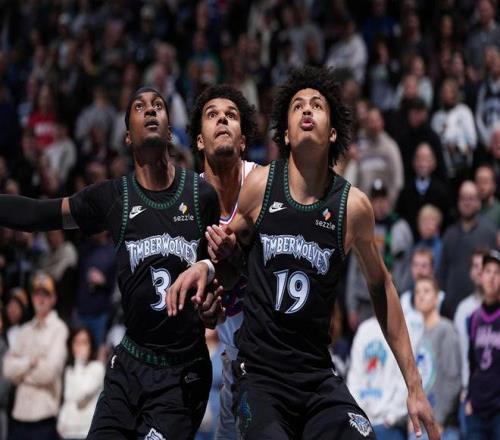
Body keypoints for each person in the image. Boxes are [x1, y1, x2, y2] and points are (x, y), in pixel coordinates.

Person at [167, 66, 439, 439]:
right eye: (297, 106)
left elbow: (382, 288)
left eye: (317, 105)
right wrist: (206, 267)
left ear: (332, 132)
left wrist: (414, 386)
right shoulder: (260, 185)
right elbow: (229, 260)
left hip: (316, 375)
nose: (307, 109)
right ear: (286, 133)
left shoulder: (354, 207)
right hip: (260, 375)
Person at [0, 86, 221, 439]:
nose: (151, 110)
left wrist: (211, 300)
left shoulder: (201, 195)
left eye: (159, 106)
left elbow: (220, 269)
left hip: (181, 373)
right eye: (140, 106)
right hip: (130, 367)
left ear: (169, 130)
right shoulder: (112, 197)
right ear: (128, 136)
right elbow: (40, 214)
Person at [188, 84, 258, 439]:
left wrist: (238, 260)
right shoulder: (186, 202)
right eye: (212, 115)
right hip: (231, 356)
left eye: (231, 115)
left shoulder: (262, 184)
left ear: (243, 141)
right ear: (200, 141)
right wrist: (203, 311)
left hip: (273, 352)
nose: (222, 120)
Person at [3, 272, 68, 440]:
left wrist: (21, 373)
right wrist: (29, 362)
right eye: (37, 294)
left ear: (53, 298)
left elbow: (49, 373)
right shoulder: (25, 330)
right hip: (18, 416)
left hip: (43, 418)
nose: (40, 299)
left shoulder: (59, 329)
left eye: (45, 294)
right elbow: (7, 368)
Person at [413, 277, 462, 440]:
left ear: (436, 297)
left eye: (426, 291)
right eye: (417, 292)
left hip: (442, 427)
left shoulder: (446, 330)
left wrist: (439, 419)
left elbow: (453, 379)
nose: (421, 296)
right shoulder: (418, 336)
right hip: (421, 426)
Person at [466, 249, 500, 439]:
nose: (492, 277)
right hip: (477, 409)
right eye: (488, 271)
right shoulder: (474, 318)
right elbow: (472, 362)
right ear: (481, 276)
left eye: (497, 272)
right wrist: (469, 398)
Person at [57, 326, 105, 439]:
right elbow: (68, 399)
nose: (80, 347)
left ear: (91, 345)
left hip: (86, 432)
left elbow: (80, 396)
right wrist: (61, 422)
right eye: (77, 342)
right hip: (67, 432)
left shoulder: (97, 368)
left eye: (84, 342)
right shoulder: (69, 369)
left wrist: (79, 362)